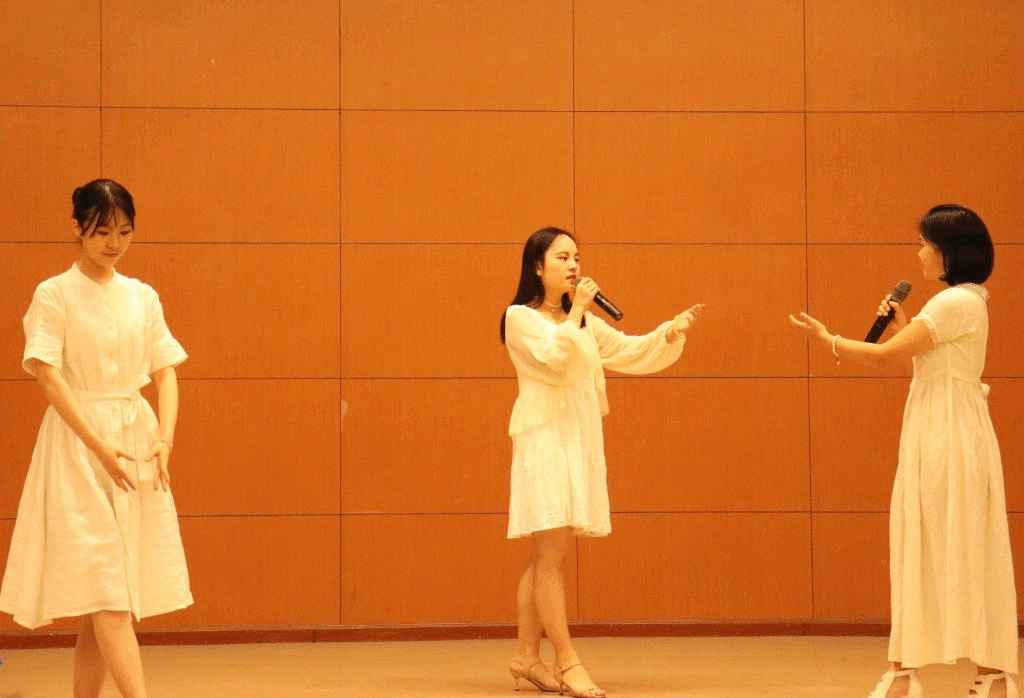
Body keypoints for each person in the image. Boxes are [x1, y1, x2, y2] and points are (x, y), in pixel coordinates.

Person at [789, 205, 1017, 698]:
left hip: (946, 435)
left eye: (924, 244)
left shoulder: (953, 302)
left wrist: (827, 339)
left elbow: (881, 357)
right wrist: (905, 326)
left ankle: (913, 672)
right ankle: (983, 672)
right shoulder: (965, 301)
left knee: (937, 539)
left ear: (947, 251)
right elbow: (931, 358)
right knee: (951, 542)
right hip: (945, 428)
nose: (919, 254)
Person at [0, 179, 193, 698]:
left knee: (104, 593)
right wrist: (96, 446)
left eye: (124, 232)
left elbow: (166, 370)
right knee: (107, 585)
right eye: (102, 231)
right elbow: (46, 374)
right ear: (77, 229)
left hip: (134, 441)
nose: (114, 243)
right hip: (76, 446)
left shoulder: (142, 296)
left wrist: (165, 439)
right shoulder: (54, 293)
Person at [500, 227, 704, 697]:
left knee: (544, 554)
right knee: (551, 554)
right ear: (537, 267)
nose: (574, 265)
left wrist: (669, 331)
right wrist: (576, 313)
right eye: (562, 257)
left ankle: (526, 657)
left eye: (577, 257)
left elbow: (629, 351)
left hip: (578, 441)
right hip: (545, 443)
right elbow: (552, 362)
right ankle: (567, 661)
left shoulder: (585, 322)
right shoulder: (520, 319)